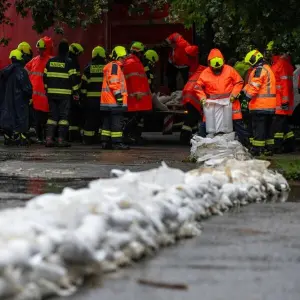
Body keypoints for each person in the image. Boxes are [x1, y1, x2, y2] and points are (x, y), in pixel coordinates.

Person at [194, 49, 248, 146]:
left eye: (219, 68)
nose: (217, 70)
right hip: (212, 104)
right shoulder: (205, 73)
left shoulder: (229, 70)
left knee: (237, 123)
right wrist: (202, 98)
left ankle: (245, 145)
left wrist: (234, 95)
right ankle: (201, 146)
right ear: (210, 64)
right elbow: (197, 87)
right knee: (206, 125)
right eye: (215, 68)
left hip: (229, 102)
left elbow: (239, 82)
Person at [240, 50, 276, 156]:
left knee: (258, 128)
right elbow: (253, 85)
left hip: (260, 104)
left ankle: (257, 149)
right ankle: (269, 148)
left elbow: (255, 86)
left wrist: (246, 99)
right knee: (268, 128)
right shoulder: (267, 68)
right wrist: (242, 91)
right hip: (270, 105)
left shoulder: (259, 69)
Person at [43, 39, 79, 147]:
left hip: (51, 94)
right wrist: (76, 92)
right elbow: (73, 79)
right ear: (67, 51)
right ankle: (60, 140)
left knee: (52, 117)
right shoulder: (69, 62)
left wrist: (47, 89)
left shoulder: (50, 61)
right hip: (64, 94)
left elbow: (44, 77)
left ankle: (48, 139)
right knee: (63, 117)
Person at [266, 41, 295, 153]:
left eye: (268, 52)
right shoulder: (279, 63)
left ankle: (276, 146)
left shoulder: (280, 64)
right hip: (280, 99)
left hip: (281, 101)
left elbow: (284, 84)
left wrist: (284, 101)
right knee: (284, 125)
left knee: (277, 126)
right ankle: (290, 144)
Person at [0, 49, 32, 146]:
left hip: (6, 100)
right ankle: (20, 137)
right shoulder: (22, 72)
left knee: (8, 117)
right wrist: (29, 96)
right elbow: (27, 88)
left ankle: (8, 136)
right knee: (21, 117)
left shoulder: (4, 72)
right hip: (20, 100)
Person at [123, 41, 152, 145]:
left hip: (137, 97)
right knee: (135, 118)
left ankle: (134, 136)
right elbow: (134, 79)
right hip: (136, 97)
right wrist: (137, 92)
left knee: (137, 118)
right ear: (138, 52)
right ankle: (126, 135)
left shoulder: (133, 61)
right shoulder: (132, 62)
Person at [25, 37, 54, 144]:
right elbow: (24, 73)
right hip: (35, 97)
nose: (39, 51)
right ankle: (38, 136)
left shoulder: (51, 61)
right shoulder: (34, 60)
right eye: (38, 48)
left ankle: (45, 137)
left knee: (45, 120)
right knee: (37, 120)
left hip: (45, 97)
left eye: (41, 49)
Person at [100, 46, 129, 150]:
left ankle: (105, 142)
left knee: (107, 122)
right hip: (114, 101)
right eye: (123, 57)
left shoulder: (111, 66)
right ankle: (117, 143)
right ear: (118, 57)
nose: (124, 59)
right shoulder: (115, 66)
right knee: (117, 122)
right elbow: (114, 81)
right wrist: (118, 96)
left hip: (108, 101)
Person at [81, 46, 106, 145]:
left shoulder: (88, 68)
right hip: (104, 100)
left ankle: (87, 139)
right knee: (102, 120)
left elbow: (83, 86)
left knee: (90, 119)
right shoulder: (107, 68)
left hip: (91, 101)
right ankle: (100, 138)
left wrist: (83, 98)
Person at [180, 64, 206, 144]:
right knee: (191, 119)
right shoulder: (205, 74)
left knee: (193, 118)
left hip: (187, 96)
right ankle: (184, 139)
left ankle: (193, 137)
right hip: (193, 97)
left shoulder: (198, 72)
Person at [68, 42, 84, 142]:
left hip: (70, 91)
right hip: (73, 92)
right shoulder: (73, 62)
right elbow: (74, 79)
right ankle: (74, 136)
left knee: (71, 115)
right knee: (74, 114)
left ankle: (71, 135)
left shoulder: (69, 60)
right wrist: (77, 92)